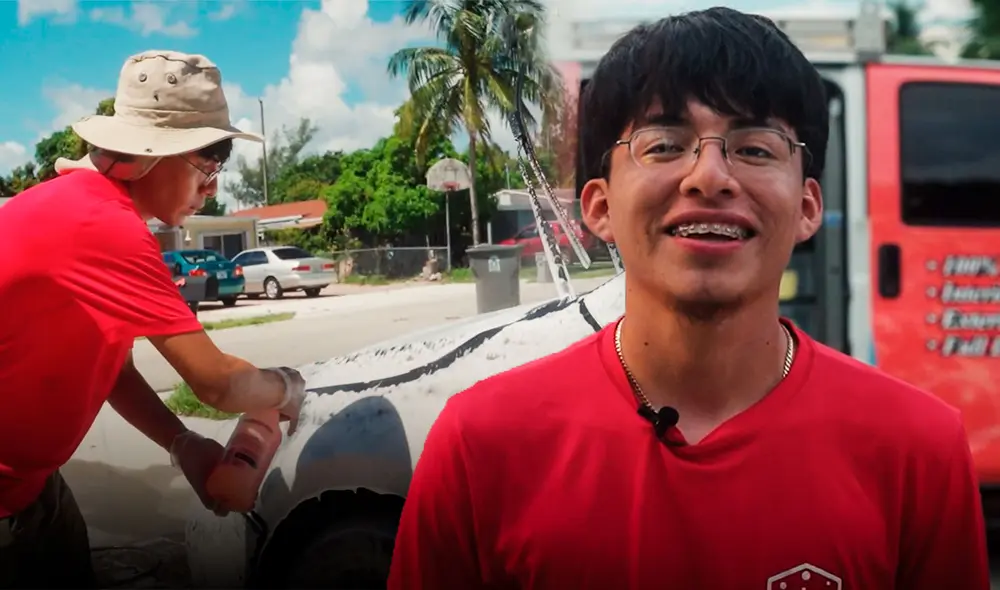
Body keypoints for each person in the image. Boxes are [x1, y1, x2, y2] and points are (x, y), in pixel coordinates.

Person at [388, 8, 990, 589]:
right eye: (664, 145)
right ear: (599, 206)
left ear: (807, 207)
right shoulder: (480, 443)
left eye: (755, 148)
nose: (709, 176)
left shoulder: (920, 449)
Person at [0, 50, 307, 588]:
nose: (213, 188)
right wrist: (287, 388)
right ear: (150, 156)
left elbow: (111, 368)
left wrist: (182, 444)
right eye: (207, 165)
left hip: (35, 487)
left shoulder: (75, 206)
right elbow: (218, 383)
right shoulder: (105, 227)